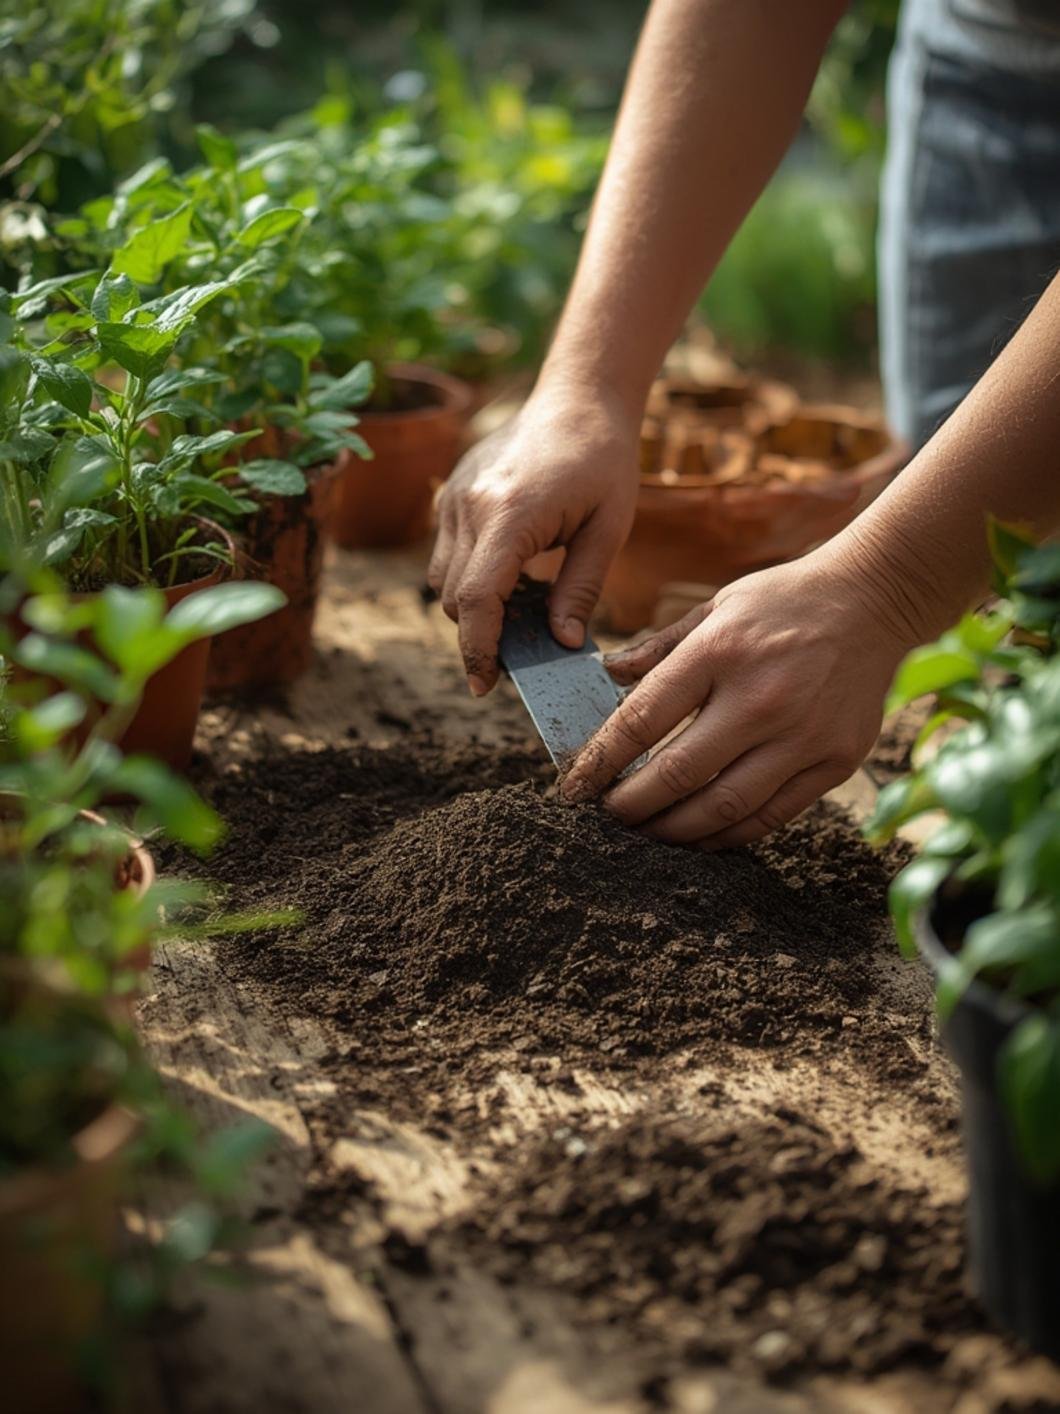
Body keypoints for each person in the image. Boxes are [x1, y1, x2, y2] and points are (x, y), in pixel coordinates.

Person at [427, 0, 1060, 850]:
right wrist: (586, 387)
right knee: (995, 582)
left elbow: (906, 577)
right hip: (998, 48)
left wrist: (888, 588)